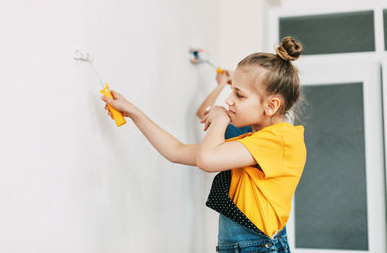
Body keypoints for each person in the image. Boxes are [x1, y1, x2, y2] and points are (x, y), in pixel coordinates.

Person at [101, 36, 306, 253]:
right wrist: (133, 112)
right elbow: (177, 152)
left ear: (271, 106)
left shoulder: (281, 140)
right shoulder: (252, 144)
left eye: (239, 94)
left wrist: (219, 119)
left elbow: (207, 160)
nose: (229, 100)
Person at [195, 70, 253, 139]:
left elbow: (203, 113)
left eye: (239, 95)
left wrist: (221, 84)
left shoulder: (240, 134)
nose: (227, 101)